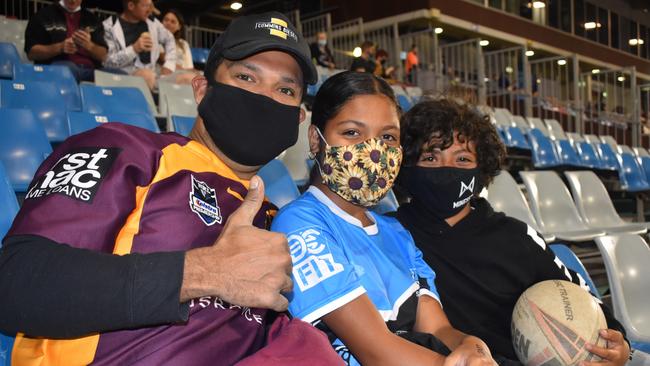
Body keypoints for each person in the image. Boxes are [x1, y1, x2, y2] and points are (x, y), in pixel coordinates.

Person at [0, 11, 344, 365]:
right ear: (202, 89)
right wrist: (202, 272)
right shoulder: (125, 149)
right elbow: (17, 282)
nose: (265, 98)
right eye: (245, 77)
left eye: (285, 90)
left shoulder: (274, 218)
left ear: (299, 119)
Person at [271, 71, 496, 366]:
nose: (374, 151)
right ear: (316, 140)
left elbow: (438, 328)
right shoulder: (299, 224)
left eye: (388, 137)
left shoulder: (396, 231)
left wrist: (471, 348)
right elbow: (376, 351)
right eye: (352, 133)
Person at [395, 99, 631, 365]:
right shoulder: (389, 234)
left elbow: (582, 297)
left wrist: (618, 345)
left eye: (462, 159)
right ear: (406, 166)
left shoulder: (516, 238)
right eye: (430, 157)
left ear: (481, 169)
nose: (446, 170)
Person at [24, 0, 111, 82]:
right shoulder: (43, 16)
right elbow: (31, 53)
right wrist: (60, 47)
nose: (73, 0)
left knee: (117, 75)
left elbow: (102, 55)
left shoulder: (93, 20)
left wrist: (89, 45)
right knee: (68, 69)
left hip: (90, 70)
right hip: (58, 68)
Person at [103, 0, 177, 90]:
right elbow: (108, 63)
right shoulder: (109, 26)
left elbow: (169, 39)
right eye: (145, 6)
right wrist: (134, 49)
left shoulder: (152, 22)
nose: (149, 10)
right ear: (131, 6)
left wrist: (169, 65)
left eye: (150, 6)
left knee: (189, 78)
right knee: (146, 75)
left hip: (153, 75)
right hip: (124, 77)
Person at [160, 9, 199, 84]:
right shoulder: (157, 40)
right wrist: (186, 71)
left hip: (183, 74)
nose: (168, 23)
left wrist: (192, 71)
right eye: (166, 20)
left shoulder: (184, 44)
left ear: (179, 27)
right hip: (165, 75)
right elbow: (166, 62)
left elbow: (190, 67)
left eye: (173, 21)